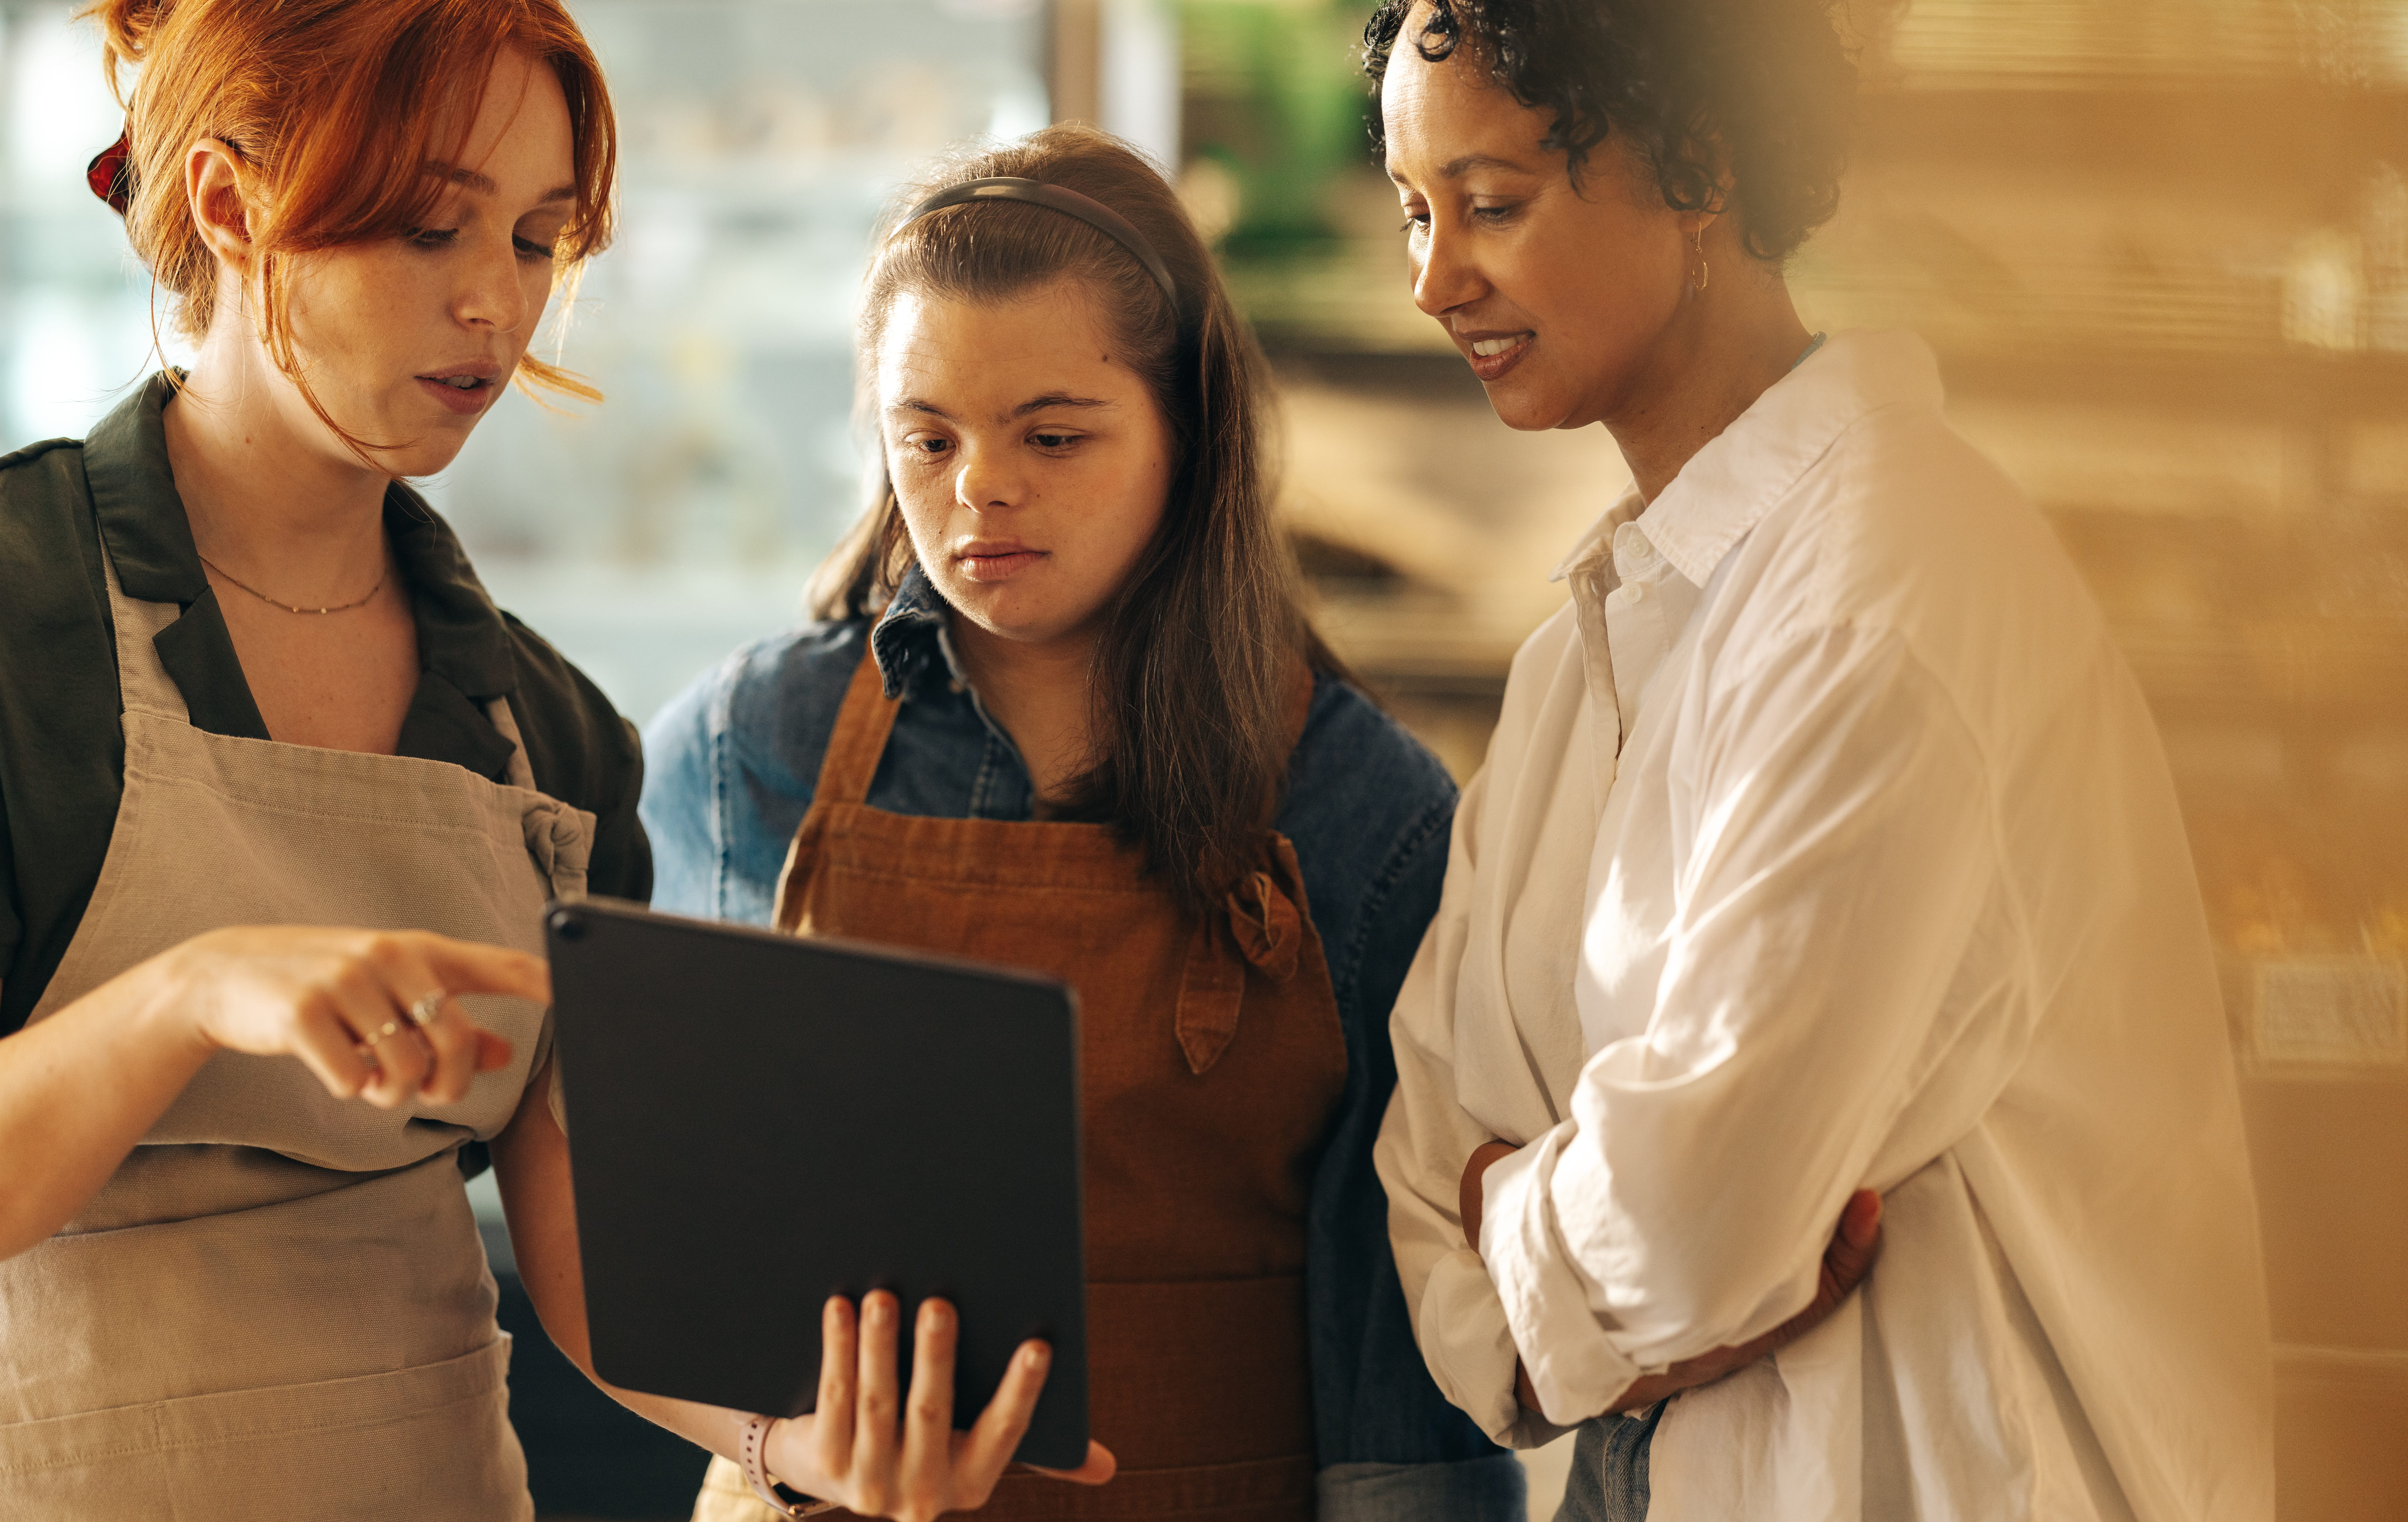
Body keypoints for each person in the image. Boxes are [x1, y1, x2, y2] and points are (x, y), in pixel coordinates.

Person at [0, 3, 1099, 1517]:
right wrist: (192, 991)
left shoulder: (550, 729)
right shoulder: (22, 614)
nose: (493, 310)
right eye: (430, 230)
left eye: (533, 240)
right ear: (229, 204)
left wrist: (794, 1445)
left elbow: (600, 1253)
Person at [1362, 1, 2274, 1519]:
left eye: (1492, 203)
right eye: (1412, 208)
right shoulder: (1581, 655)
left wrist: (1529, 1229)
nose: (1430, 277)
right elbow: (1424, 1160)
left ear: (1701, 163)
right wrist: (1571, 1289)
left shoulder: (1887, 589)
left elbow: (1682, 1227)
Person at [642, 125, 1531, 1522]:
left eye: (1052, 436)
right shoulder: (735, 753)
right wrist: (772, 1444)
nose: (980, 488)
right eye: (925, 439)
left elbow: (1394, 1361)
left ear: (1188, 427)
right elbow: (659, 1245)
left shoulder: (1367, 809)